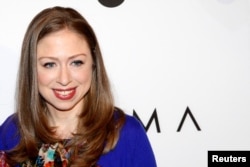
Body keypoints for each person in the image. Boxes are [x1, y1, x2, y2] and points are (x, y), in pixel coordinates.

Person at [0, 6, 157, 167]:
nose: (64, 79)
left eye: (76, 62)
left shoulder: (127, 135)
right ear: (31, 68)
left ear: (93, 64)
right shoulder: (11, 133)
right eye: (49, 64)